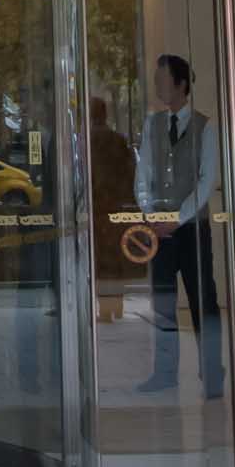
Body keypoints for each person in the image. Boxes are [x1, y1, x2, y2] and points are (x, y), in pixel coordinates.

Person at [135, 53, 224, 399]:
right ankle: (165, 372)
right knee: (163, 302)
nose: (158, 85)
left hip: (192, 228)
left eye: (162, 79)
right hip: (159, 230)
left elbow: (206, 180)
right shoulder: (152, 125)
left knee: (203, 300)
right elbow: (143, 172)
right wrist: (151, 212)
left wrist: (178, 217)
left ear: (181, 83)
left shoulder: (206, 126)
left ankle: (212, 373)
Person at [89, 95, 137, 324]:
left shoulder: (90, 139)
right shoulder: (118, 139)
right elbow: (129, 171)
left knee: (101, 259)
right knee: (116, 256)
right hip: (115, 204)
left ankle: (105, 309)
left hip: (98, 205)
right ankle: (117, 306)